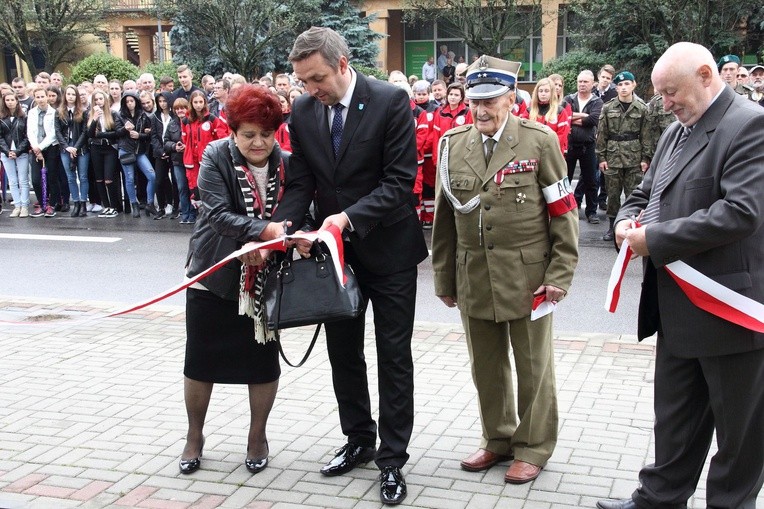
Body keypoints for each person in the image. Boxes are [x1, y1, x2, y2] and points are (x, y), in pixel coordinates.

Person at [597, 41, 764, 509]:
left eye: (672, 92)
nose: (665, 104)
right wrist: (624, 221)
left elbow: (740, 212)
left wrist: (659, 239)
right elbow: (645, 193)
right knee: (675, 421)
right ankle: (658, 500)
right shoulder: (675, 132)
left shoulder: (750, 126)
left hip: (731, 312)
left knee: (739, 438)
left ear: (707, 75)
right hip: (677, 308)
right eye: (659, 94)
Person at [272, 26, 428, 506]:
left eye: (316, 78)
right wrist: (284, 225)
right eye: (302, 82)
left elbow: (399, 182)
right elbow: (301, 181)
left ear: (342, 65)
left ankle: (392, 459)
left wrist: (346, 218)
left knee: (393, 355)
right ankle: (359, 438)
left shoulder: (389, 101)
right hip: (333, 256)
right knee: (343, 352)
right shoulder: (303, 110)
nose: (310, 90)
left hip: (390, 251)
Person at [432, 54, 578, 486]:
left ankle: (533, 446)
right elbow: (445, 219)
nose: (480, 110)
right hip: (473, 272)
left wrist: (560, 273)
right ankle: (497, 439)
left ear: (511, 99)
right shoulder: (453, 143)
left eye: (491, 100)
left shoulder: (539, 141)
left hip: (529, 275)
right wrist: (444, 277)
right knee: (487, 365)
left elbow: (563, 211)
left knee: (533, 365)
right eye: (475, 101)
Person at [180, 84, 291, 477]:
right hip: (213, 273)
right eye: (248, 134)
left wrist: (279, 241)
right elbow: (216, 213)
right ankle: (194, 436)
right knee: (200, 362)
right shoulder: (215, 156)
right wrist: (264, 231)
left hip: (264, 282)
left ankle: (257, 436)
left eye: (266, 133)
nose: (258, 142)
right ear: (232, 131)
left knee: (262, 364)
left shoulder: (288, 163)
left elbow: (298, 216)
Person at [595, 71, 650, 241]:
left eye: (627, 84)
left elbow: (646, 135)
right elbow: (601, 134)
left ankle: (631, 225)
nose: (623, 88)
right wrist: (602, 158)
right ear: (616, 87)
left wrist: (645, 158)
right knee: (612, 194)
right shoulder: (608, 107)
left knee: (633, 194)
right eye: (619, 85)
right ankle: (612, 227)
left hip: (634, 156)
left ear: (634, 85)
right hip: (613, 156)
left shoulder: (642, 107)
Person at [181, 90, 229, 223]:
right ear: (191, 103)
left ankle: (210, 214)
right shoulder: (186, 121)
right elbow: (185, 139)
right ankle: (200, 213)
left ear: (205, 103)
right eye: (195, 102)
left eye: (200, 102)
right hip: (191, 159)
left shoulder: (212, 119)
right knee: (193, 186)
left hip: (206, 159)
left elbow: (220, 138)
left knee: (207, 185)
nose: (198, 105)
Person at [563, 70, 603, 224]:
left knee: (591, 180)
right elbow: (564, 115)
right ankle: (566, 209)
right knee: (565, 179)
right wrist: (583, 116)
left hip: (588, 146)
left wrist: (574, 117)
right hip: (571, 145)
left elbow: (593, 120)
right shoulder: (569, 99)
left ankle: (591, 212)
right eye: (580, 81)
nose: (582, 84)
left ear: (592, 83)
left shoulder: (597, 101)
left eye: (585, 82)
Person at [115, 90, 157, 218]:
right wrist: (124, 129)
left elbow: (149, 134)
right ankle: (134, 204)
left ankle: (150, 203)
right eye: (127, 101)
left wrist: (140, 135)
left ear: (136, 101)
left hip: (139, 150)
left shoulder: (143, 115)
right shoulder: (120, 115)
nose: (130, 103)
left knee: (152, 175)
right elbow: (116, 133)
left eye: (132, 101)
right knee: (129, 179)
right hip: (126, 150)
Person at [55, 84, 90, 217]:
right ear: (65, 96)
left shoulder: (83, 111)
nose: (70, 97)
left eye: (73, 94)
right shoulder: (59, 112)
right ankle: (75, 203)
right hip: (65, 147)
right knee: (70, 177)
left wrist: (76, 147)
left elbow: (85, 131)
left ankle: (83, 204)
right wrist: (66, 146)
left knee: (83, 176)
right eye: (68, 94)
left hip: (81, 148)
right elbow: (57, 131)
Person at [26, 85, 61, 218]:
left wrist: (40, 147)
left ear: (47, 97)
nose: (40, 99)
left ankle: (52, 205)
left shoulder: (54, 112)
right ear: (34, 98)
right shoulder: (32, 112)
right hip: (36, 148)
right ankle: (41, 204)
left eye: (42, 96)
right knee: (35, 179)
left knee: (52, 177)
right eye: (38, 97)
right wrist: (36, 148)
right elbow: (30, 131)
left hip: (50, 147)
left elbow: (53, 133)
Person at [87, 90, 122, 218]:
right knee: (99, 179)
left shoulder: (112, 113)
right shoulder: (90, 115)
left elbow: (117, 133)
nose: (98, 102)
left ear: (105, 100)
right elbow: (90, 134)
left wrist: (101, 134)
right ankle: (106, 206)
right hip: (96, 148)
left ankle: (114, 206)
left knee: (109, 179)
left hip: (109, 148)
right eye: (96, 100)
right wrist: (95, 119)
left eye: (101, 99)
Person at [0, 91, 31, 217]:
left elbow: (26, 137)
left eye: (12, 100)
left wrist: (18, 151)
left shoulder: (24, 117)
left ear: (17, 101)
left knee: (23, 180)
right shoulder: (1, 118)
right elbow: (0, 137)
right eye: (7, 100)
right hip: (6, 153)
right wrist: (7, 151)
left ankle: (24, 206)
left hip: (21, 152)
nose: (10, 102)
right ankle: (17, 205)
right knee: (12, 181)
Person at [165, 98, 193, 222]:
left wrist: (187, 147)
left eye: (182, 108)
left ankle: (193, 214)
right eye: (177, 109)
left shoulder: (192, 122)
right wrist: (174, 146)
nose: (180, 111)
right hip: (177, 160)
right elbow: (165, 141)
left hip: (191, 161)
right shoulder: (172, 124)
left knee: (192, 188)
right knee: (181, 187)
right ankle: (184, 213)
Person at [528, 77, 570, 154]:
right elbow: (524, 132)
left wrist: (547, 149)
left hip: (553, 153)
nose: (543, 93)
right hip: (533, 152)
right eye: (540, 91)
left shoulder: (560, 111)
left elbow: (562, 135)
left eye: (547, 91)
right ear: (536, 93)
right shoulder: (529, 111)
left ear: (552, 93)